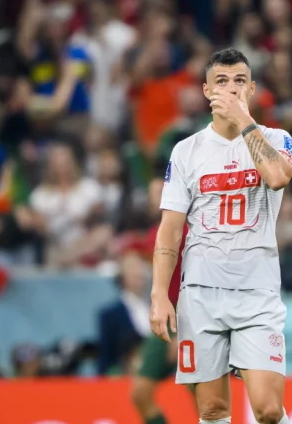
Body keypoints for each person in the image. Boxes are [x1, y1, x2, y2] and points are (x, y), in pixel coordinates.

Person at [149, 47, 292, 424]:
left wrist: (245, 122)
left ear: (252, 90)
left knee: (267, 410)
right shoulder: (186, 151)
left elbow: (278, 178)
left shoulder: (277, 139)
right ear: (206, 91)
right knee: (213, 409)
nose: (230, 89)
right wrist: (159, 295)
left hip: (257, 292)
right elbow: (170, 229)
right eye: (222, 82)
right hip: (200, 294)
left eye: (240, 82)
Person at [130, 176, 187, 424]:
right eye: (152, 195)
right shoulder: (156, 233)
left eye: (160, 193)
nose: (155, 199)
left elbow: (195, 285)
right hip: (162, 324)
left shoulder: (188, 232)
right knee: (140, 394)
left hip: (188, 323)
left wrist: (184, 334)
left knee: (207, 402)